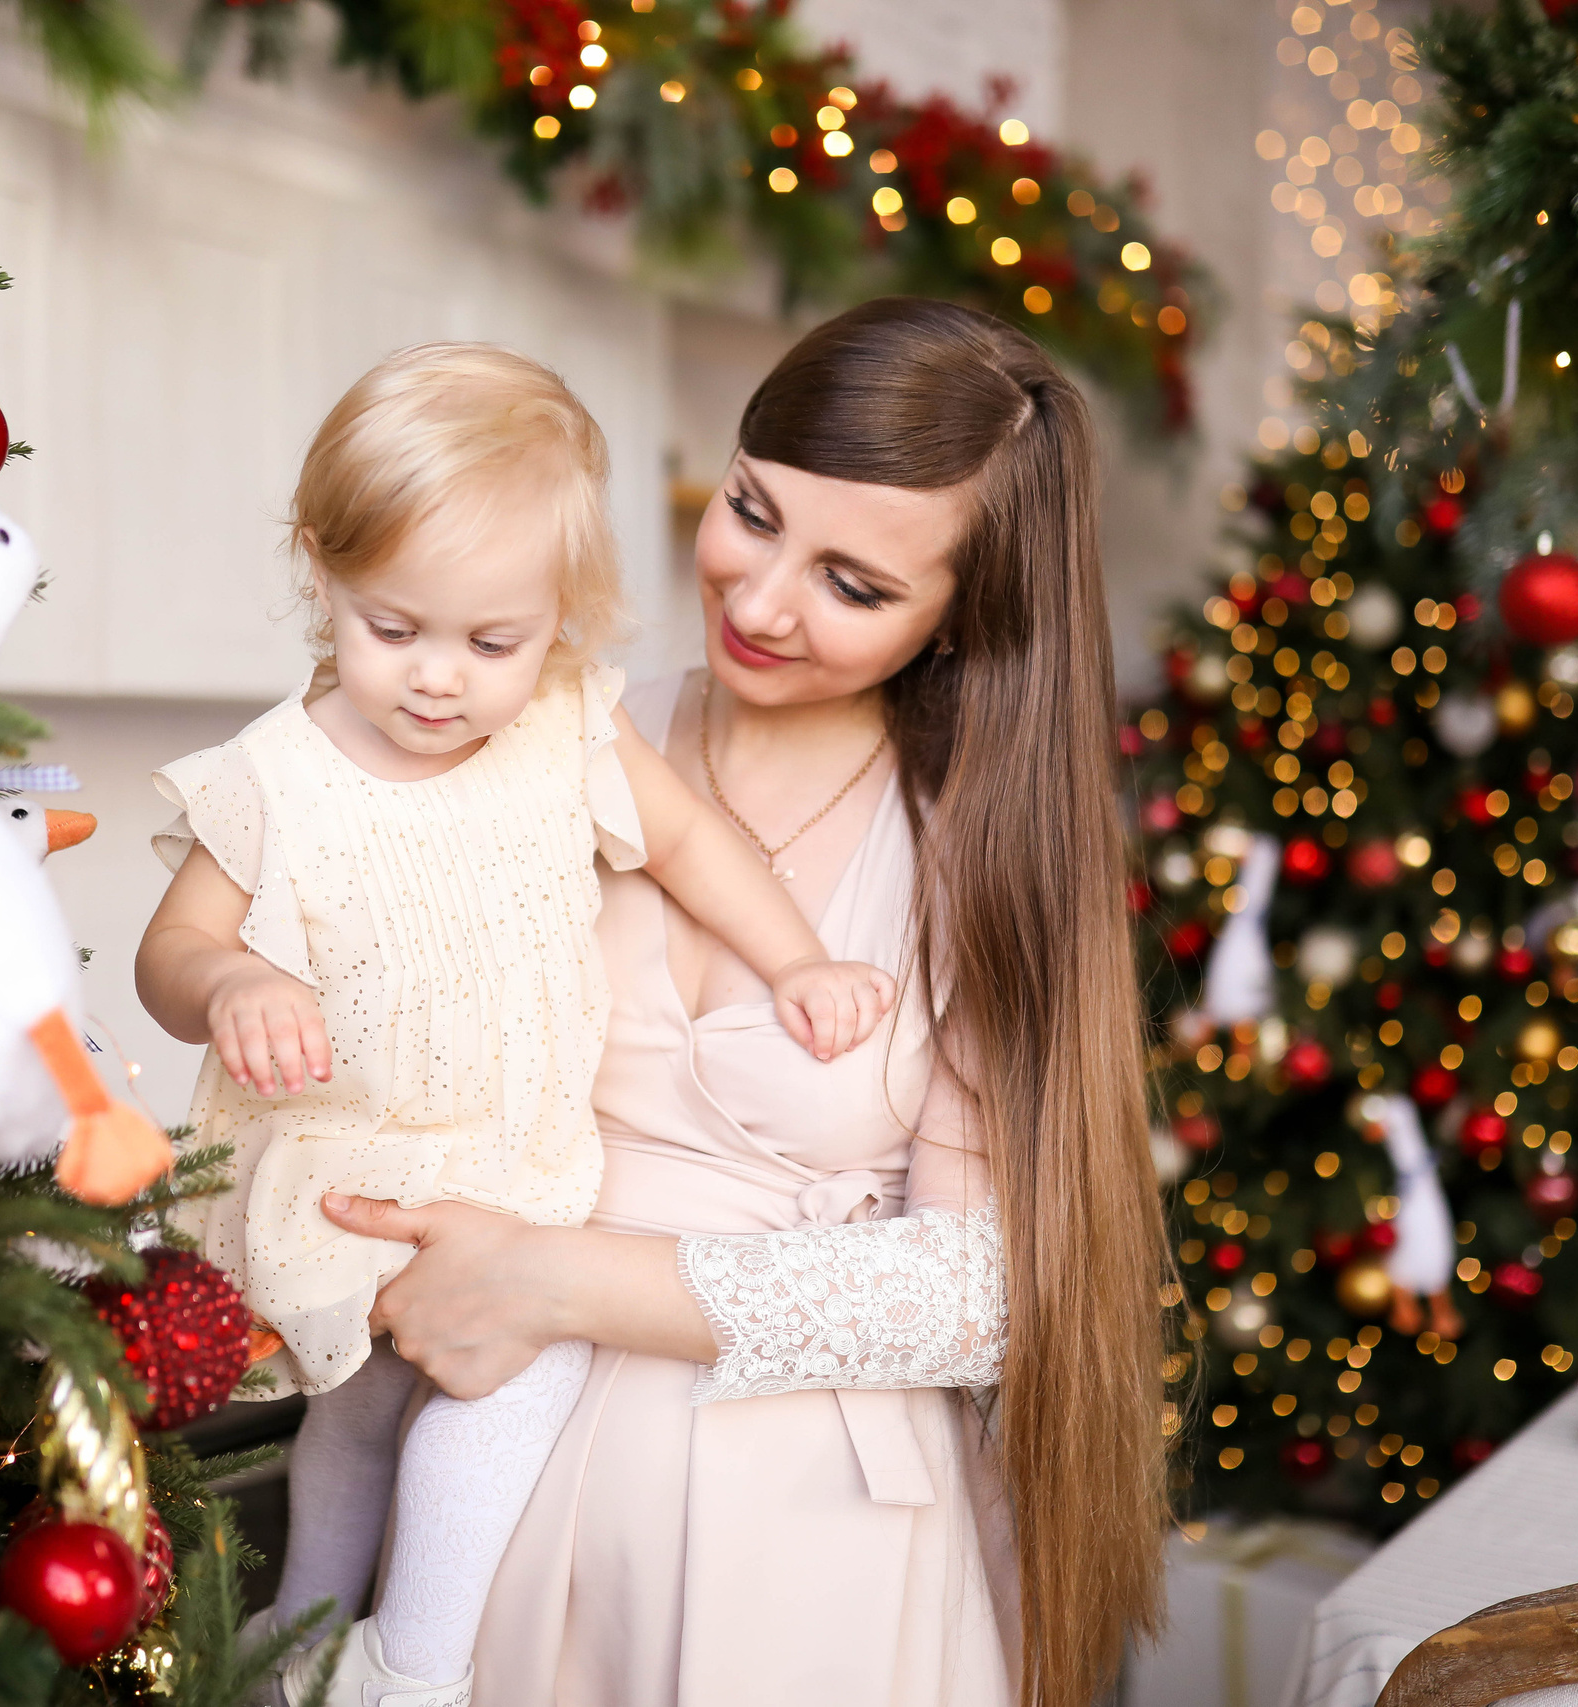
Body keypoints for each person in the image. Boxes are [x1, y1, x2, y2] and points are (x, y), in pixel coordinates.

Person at [316, 298, 1172, 1706]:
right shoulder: (546, 730)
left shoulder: (980, 843)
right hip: (489, 1496)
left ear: (966, 617)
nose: (762, 601)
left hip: (807, 1557)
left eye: (856, 585)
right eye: (752, 511)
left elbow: (987, 1292)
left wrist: (550, 1277)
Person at [133, 343, 895, 1706]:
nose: (439, 680)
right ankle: (302, 1649)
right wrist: (232, 984)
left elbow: (695, 845)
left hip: (513, 1163)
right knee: (355, 1420)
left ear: (563, 617)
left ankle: (405, 1662)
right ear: (321, 568)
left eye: (493, 642)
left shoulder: (564, 728)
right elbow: (169, 950)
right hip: (350, 1174)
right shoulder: (278, 777)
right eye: (392, 628)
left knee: (507, 1386)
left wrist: (799, 962)